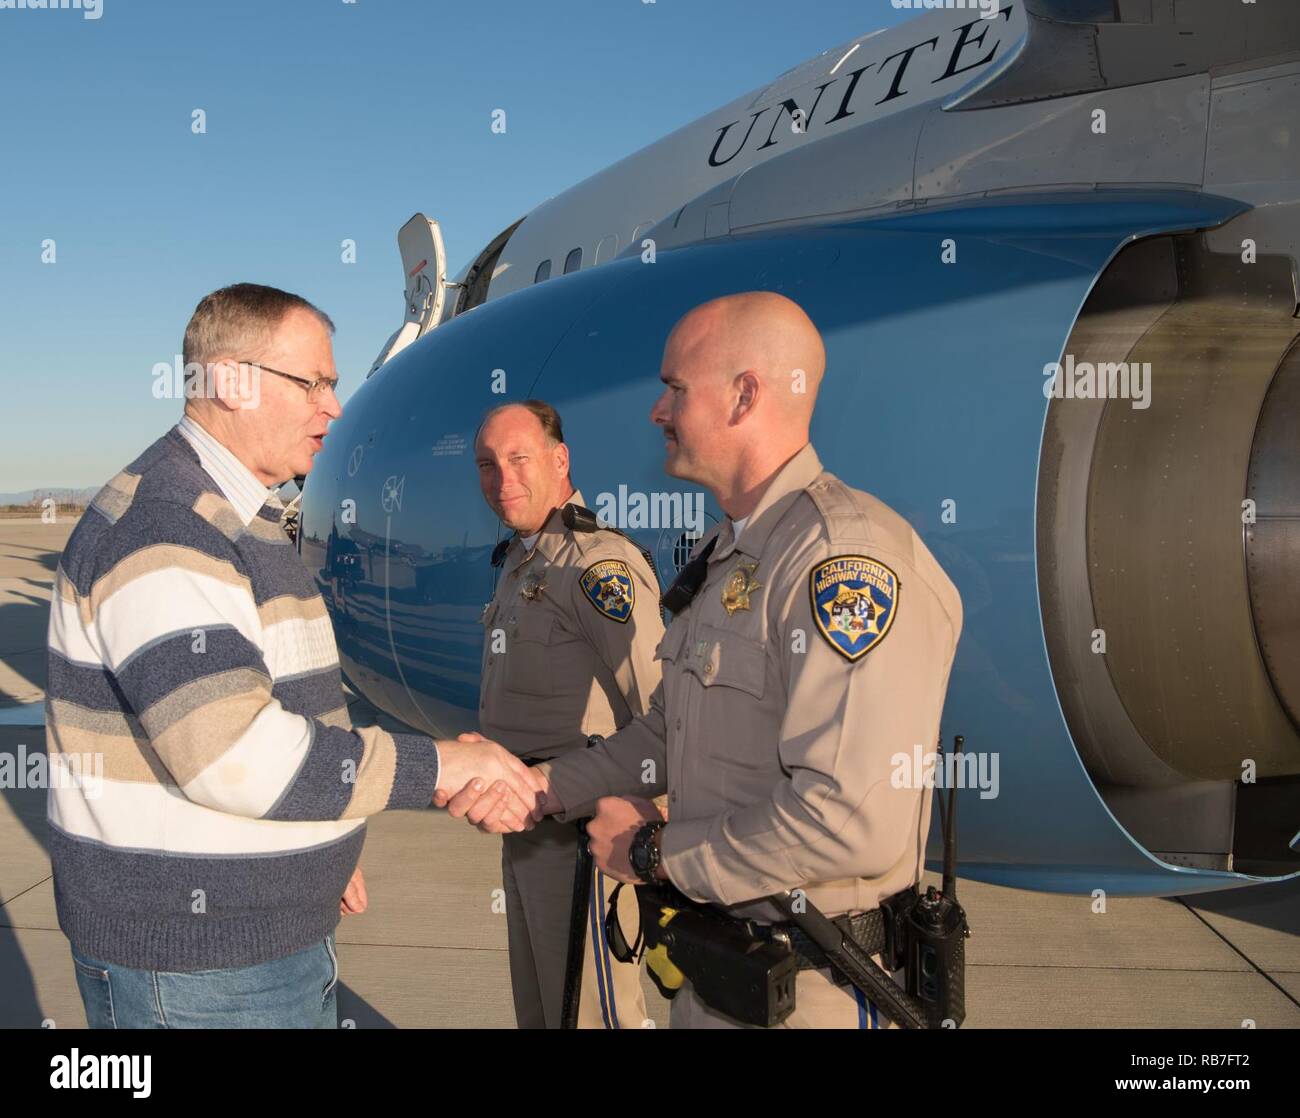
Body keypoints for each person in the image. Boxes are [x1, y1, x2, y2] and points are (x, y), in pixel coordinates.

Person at [442, 292, 963, 1029]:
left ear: (746, 394)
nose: (657, 410)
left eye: (675, 388)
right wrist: (539, 788)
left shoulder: (843, 559)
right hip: (721, 970)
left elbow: (849, 820)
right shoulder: (732, 559)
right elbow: (666, 733)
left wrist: (654, 853)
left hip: (818, 987)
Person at [47, 283, 542, 1029]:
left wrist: (321, 845)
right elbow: (231, 755)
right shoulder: (166, 527)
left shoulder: (247, 520)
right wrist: (443, 767)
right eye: (312, 382)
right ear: (228, 382)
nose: (333, 407)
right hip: (196, 967)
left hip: (257, 940)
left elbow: (282, 713)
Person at [471, 400, 663, 1028]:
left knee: (592, 1012)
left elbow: (662, 705)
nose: (503, 481)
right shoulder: (520, 563)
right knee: (543, 1007)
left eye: (519, 459)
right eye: (487, 465)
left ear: (560, 459)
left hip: (584, 837)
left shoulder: (596, 566)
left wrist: (654, 831)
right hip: (526, 828)